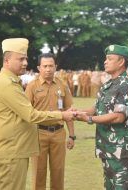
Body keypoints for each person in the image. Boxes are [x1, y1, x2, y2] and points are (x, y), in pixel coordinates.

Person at [0, 38, 75, 190]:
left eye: (25, 59)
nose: (25, 63)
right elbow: (31, 115)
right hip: (12, 150)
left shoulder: (11, 81)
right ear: (7, 60)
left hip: (17, 148)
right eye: (20, 59)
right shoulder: (8, 83)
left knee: (57, 172)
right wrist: (61, 115)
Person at [75, 44, 128, 190]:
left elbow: (118, 117)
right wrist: (78, 113)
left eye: (109, 58)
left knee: (123, 186)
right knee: (109, 186)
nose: (105, 61)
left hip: (121, 149)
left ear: (121, 61)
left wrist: (89, 120)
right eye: (106, 59)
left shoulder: (125, 85)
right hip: (107, 147)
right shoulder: (108, 85)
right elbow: (96, 109)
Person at [25, 53, 75, 190]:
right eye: (45, 66)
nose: (48, 69)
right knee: (38, 174)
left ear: (56, 67)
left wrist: (71, 135)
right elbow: (26, 113)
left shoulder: (62, 85)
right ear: (38, 68)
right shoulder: (32, 86)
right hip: (38, 134)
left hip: (58, 134)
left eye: (51, 66)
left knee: (58, 172)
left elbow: (69, 111)